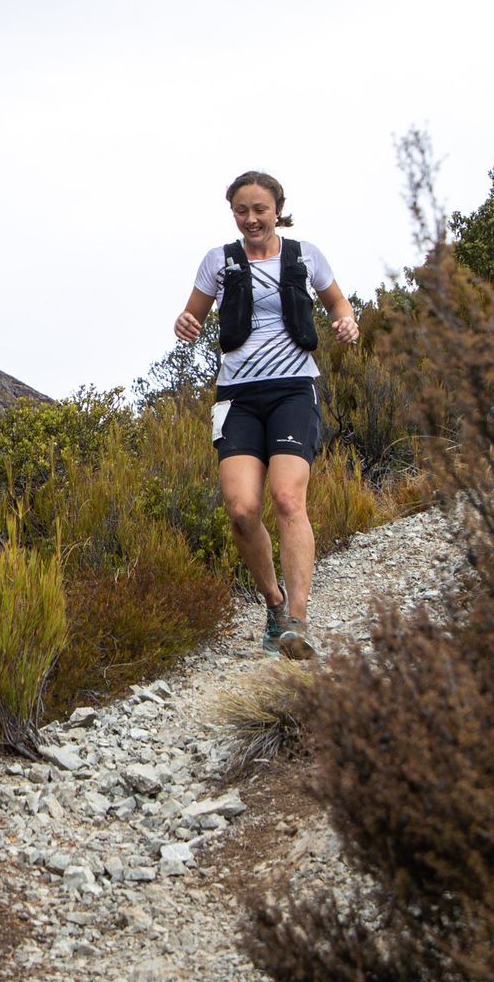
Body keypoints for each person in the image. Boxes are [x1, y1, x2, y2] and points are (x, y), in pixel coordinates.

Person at [173, 170, 358, 660]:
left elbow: (337, 301)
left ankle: (298, 620)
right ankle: (274, 604)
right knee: (240, 509)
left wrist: (346, 320)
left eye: (260, 209)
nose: (251, 219)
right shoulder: (219, 262)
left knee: (288, 499)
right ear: (232, 212)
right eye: (242, 210)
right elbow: (189, 317)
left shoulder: (305, 256)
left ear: (277, 209)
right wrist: (185, 324)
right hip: (237, 396)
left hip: (294, 389)